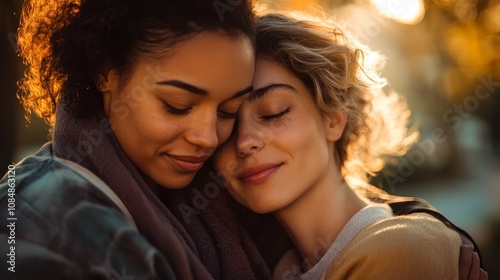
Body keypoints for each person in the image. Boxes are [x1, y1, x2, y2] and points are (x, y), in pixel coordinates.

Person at [0, 0, 272, 279]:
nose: (208, 138)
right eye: (177, 105)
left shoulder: (232, 197)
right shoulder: (33, 223)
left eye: (229, 111)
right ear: (104, 71)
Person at [213, 12, 484, 279]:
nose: (245, 142)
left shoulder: (402, 251)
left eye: (274, 112)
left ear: (333, 119)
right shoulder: (251, 257)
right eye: (227, 119)